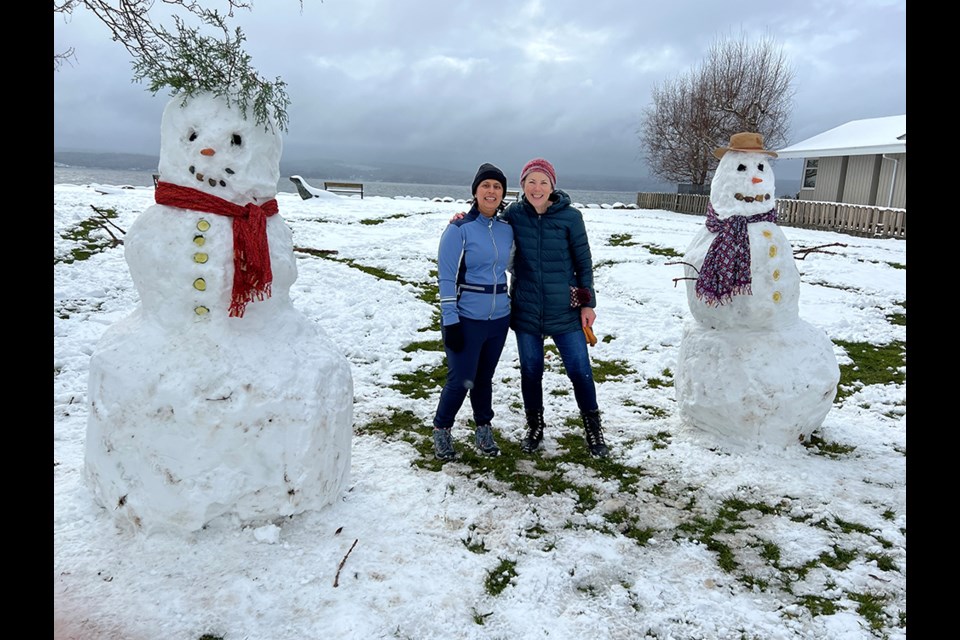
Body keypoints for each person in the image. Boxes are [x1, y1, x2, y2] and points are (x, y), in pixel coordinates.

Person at [501, 158, 609, 458]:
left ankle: (593, 428)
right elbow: (486, 224)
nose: (537, 188)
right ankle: (534, 427)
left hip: (566, 310)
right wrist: (461, 218)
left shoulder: (571, 218)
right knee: (531, 371)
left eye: (543, 182)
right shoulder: (512, 215)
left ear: (552, 186)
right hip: (526, 309)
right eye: (531, 182)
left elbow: (583, 263)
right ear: (522, 185)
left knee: (579, 370)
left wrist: (588, 303)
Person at [432, 163, 514, 461]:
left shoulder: (507, 230)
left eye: (497, 186)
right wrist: (450, 319)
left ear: (503, 193)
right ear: (475, 192)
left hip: (499, 318)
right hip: (466, 318)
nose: (491, 191)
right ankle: (442, 429)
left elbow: (514, 267)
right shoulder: (459, 229)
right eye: (486, 186)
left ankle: (483, 427)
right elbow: (445, 276)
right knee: (461, 378)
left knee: (484, 378)